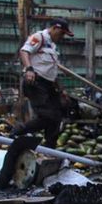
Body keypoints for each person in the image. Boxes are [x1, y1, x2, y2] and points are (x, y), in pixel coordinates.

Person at [12, 18, 74, 148]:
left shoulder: (52, 46)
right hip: (36, 82)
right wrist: (29, 69)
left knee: (57, 116)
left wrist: (61, 90)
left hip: (48, 85)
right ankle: (17, 132)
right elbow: (24, 51)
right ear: (54, 28)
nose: (62, 36)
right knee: (48, 116)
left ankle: (50, 150)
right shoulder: (39, 37)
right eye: (61, 33)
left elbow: (52, 71)